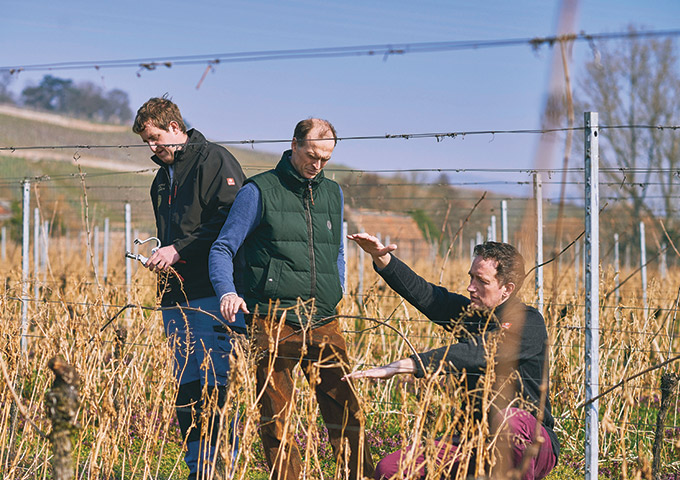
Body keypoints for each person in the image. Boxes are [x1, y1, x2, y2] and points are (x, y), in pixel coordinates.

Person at [209, 118, 375, 480]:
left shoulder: (333, 193)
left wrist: (338, 288)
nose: (317, 164)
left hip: (323, 318)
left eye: (326, 159)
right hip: (271, 319)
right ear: (295, 145)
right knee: (277, 420)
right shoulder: (258, 191)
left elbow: (337, 253)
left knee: (346, 411)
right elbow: (222, 248)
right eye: (312, 155)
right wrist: (228, 293)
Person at [344, 233, 559, 480]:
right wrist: (382, 259)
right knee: (390, 470)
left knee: (508, 419)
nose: (471, 287)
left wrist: (413, 364)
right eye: (471, 277)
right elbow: (428, 296)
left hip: (533, 444)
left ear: (506, 289)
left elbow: (482, 350)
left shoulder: (528, 323)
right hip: (472, 441)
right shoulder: (471, 317)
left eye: (482, 281)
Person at [132, 96, 246, 480]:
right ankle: (199, 468)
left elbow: (232, 222)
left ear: (176, 127)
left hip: (212, 290)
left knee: (215, 380)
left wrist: (178, 250)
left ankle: (221, 466)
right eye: (147, 140)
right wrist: (163, 256)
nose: (153, 147)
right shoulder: (161, 179)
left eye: (157, 137)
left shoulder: (213, 160)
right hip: (174, 295)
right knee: (187, 383)